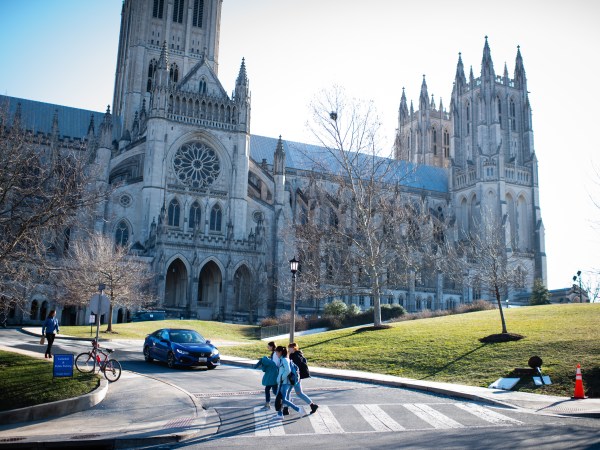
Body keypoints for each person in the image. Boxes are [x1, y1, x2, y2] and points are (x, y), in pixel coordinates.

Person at [287, 342, 319, 414]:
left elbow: (294, 368)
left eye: (289, 348)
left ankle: (286, 409)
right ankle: (312, 405)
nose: (288, 349)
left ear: (293, 348)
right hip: (297, 378)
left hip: (294, 378)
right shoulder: (297, 354)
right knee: (299, 393)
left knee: (287, 392)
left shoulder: (295, 356)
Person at [274, 345, 304, 418]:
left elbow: (288, 370)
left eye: (277, 353)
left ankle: (298, 409)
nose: (276, 354)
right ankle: (279, 414)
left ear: (280, 352)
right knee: (280, 398)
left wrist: (281, 378)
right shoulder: (283, 359)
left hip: (284, 383)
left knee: (283, 399)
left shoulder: (284, 360)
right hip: (283, 382)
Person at [254, 341, 279, 409]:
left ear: (272, 346)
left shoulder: (275, 354)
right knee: (273, 390)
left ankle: (281, 400)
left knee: (270, 389)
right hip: (273, 374)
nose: (267, 347)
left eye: (268, 346)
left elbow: (275, 363)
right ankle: (280, 401)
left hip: (273, 374)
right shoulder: (274, 353)